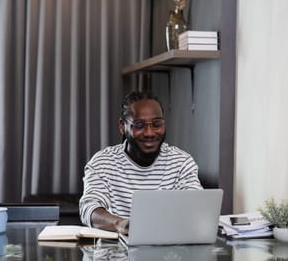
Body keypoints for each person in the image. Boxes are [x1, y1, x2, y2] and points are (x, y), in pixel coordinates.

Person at [79, 91, 203, 234]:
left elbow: (196, 207)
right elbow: (90, 209)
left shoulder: (182, 163)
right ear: (122, 126)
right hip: (115, 253)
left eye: (156, 124)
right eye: (139, 125)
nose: (149, 133)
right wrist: (122, 224)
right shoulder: (102, 163)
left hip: (169, 252)